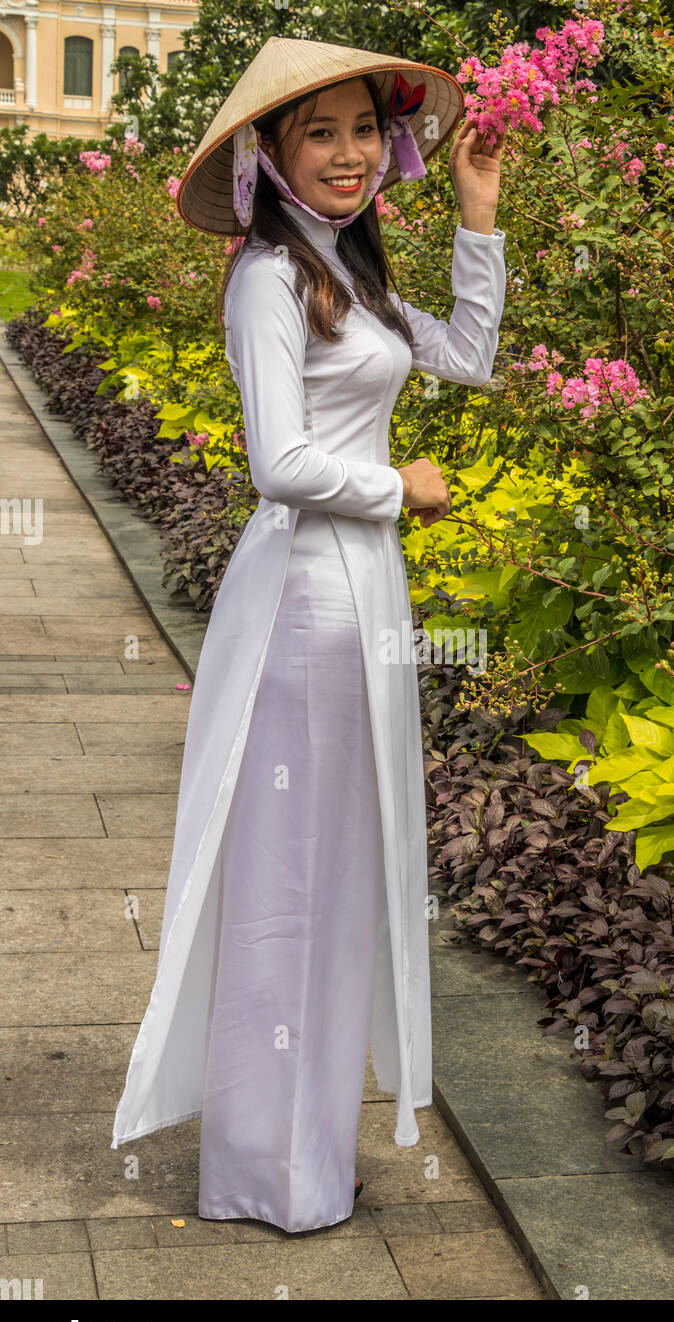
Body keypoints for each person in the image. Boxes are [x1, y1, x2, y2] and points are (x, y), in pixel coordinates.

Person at [111, 35, 507, 1235]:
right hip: (306, 601)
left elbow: (473, 360)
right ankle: (262, 1166)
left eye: (358, 130)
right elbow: (276, 463)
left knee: (338, 870)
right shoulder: (267, 280)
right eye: (315, 132)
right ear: (268, 157)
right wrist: (403, 488)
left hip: (360, 596)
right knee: (290, 869)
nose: (347, 155)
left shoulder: (355, 270)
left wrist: (477, 217)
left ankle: (303, 1153)